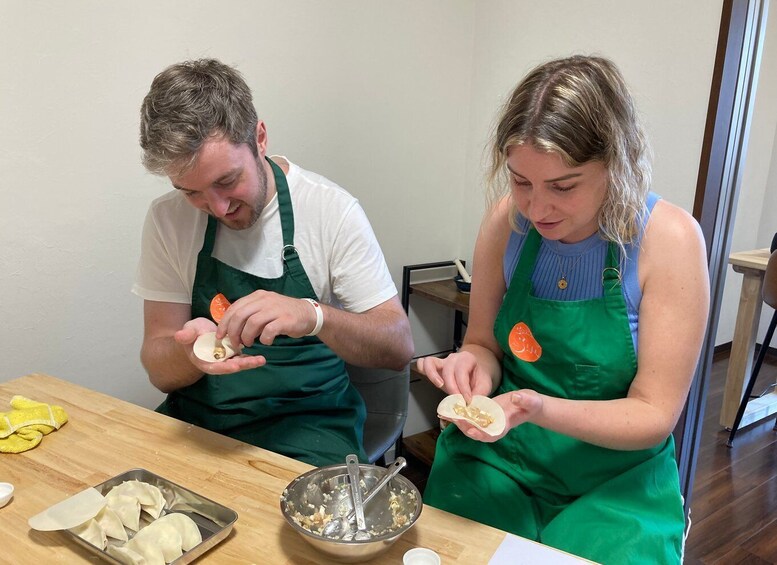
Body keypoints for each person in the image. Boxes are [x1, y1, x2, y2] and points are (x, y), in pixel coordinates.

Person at [415, 55, 709, 564]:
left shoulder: (669, 241)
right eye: (520, 181)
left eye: (564, 186)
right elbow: (483, 343)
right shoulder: (507, 222)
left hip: (617, 480)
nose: (537, 209)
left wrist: (539, 409)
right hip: (503, 459)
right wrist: (471, 371)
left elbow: (654, 415)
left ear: (616, 165)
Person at [133, 58, 413, 467]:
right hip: (200, 424)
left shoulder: (330, 211)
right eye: (191, 192)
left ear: (259, 138)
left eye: (227, 181)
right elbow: (158, 368)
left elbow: (398, 346)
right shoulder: (167, 218)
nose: (219, 207)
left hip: (310, 428)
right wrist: (188, 354)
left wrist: (314, 316)